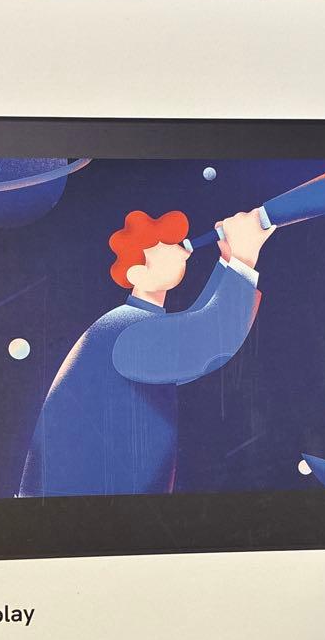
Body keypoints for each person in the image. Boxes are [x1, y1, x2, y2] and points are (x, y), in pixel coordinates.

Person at [18, 208, 275, 497]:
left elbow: (195, 327)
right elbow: (207, 343)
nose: (180, 248)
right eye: (163, 245)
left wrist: (229, 261)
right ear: (137, 272)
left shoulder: (132, 323)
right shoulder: (127, 330)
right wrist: (243, 258)